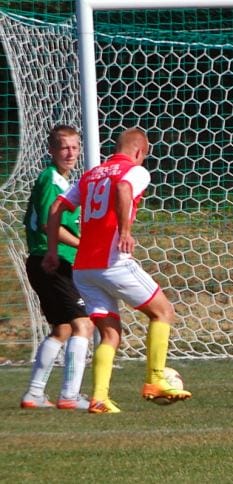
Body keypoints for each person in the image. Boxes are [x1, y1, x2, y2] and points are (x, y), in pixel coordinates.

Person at [42, 127, 192, 413]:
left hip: (83, 269)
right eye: (143, 156)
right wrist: (125, 231)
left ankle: (99, 398)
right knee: (163, 312)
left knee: (110, 334)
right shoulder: (135, 171)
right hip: (113, 262)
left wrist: (52, 250)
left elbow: (56, 208)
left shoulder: (90, 175)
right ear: (139, 152)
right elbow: (123, 188)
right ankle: (156, 378)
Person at [19, 125, 94, 410]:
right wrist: (83, 245)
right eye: (64, 147)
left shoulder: (63, 182)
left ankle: (34, 394)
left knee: (62, 329)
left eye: (75, 147)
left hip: (44, 262)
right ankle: (70, 396)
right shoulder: (50, 179)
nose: (70, 152)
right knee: (82, 324)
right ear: (51, 151)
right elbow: (48, 223)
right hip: (52, 261)